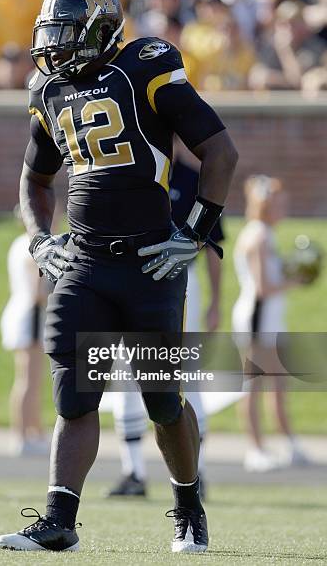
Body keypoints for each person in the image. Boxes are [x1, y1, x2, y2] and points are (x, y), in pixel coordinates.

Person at [0, 0, 237, 554]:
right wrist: (38, 239)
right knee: (74, 395)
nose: (54, 46)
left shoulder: (145, 66)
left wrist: (197, 232)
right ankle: (59, 520)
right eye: (49, 34)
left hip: (150, 259)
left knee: (162, 399)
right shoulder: (49, 90)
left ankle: (188, 508)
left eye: (65, 33)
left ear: (102, 31)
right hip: (82, 260)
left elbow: (220, 153)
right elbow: (34, 178)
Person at [108, 153, 224, 499]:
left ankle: (195, 471)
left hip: (179, 276)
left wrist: (217, 300)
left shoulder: (192, 178)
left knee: (185, 376)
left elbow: (214, 244)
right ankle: (133, 472)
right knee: (126, 375)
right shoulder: (125, 169)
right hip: (127, 274)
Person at [232, 175, 308, 472]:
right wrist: (296, 281)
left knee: (279, 384)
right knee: (254, 385)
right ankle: (255, 449)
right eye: (278, 202)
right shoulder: (258, 236)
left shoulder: (267, 233)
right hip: (257, 317)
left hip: (271, 318)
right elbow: (263, 287)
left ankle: (289, 444)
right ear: (265, 205)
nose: (284, 206)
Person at [0, 221, 51, 457]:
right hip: (30, 316)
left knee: (31, 380)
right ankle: (21, 435)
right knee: (28, 380)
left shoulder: (18, 243)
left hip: (20, 312)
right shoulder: (33, 248)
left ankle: (34, 432)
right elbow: (38, 292)